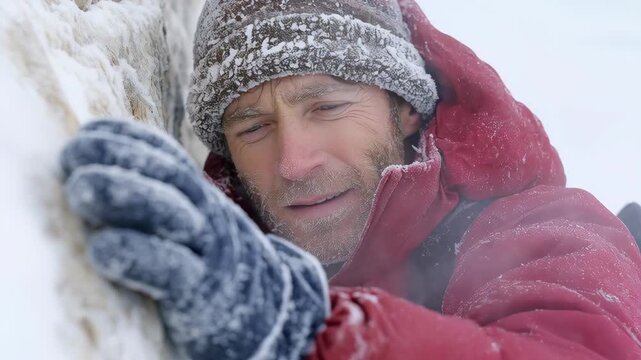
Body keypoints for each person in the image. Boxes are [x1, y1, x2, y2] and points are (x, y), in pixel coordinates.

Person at [60, 0, 641, 359]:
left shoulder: (548, 230)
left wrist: (303, 330)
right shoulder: (217, 253)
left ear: (406, 107)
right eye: (254, 127)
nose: (294, 162)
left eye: (327, 107)